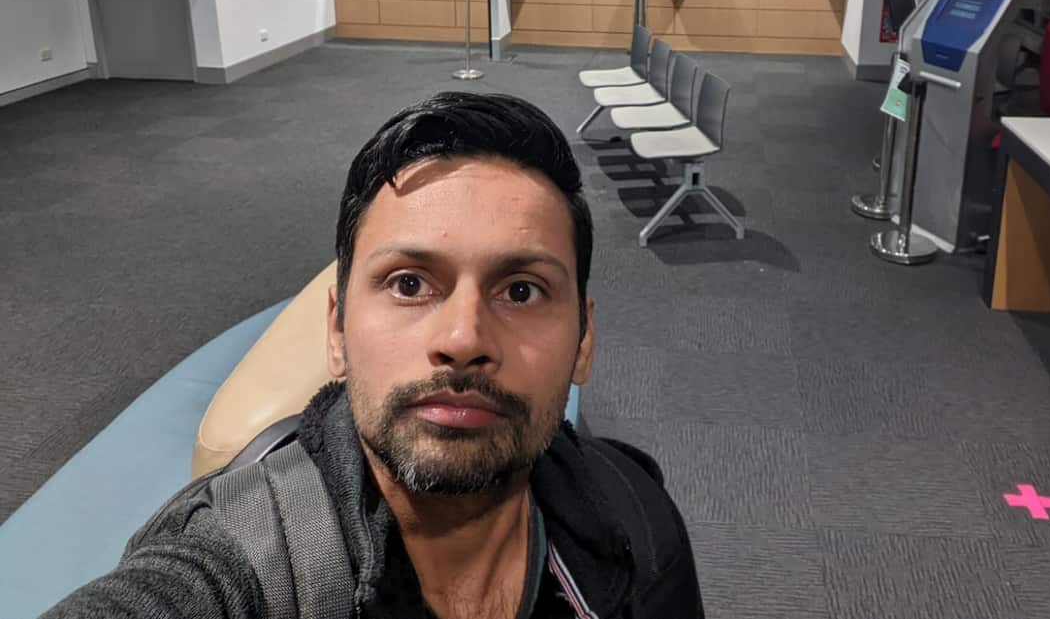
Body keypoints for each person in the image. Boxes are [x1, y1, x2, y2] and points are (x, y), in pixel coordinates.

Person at [44, 93, 703, 619]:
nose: (464, 338)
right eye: (410, 283)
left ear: (583, 341)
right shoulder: (242, 563)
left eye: (521, 289)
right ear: (336, 331)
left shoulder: (640, 525)